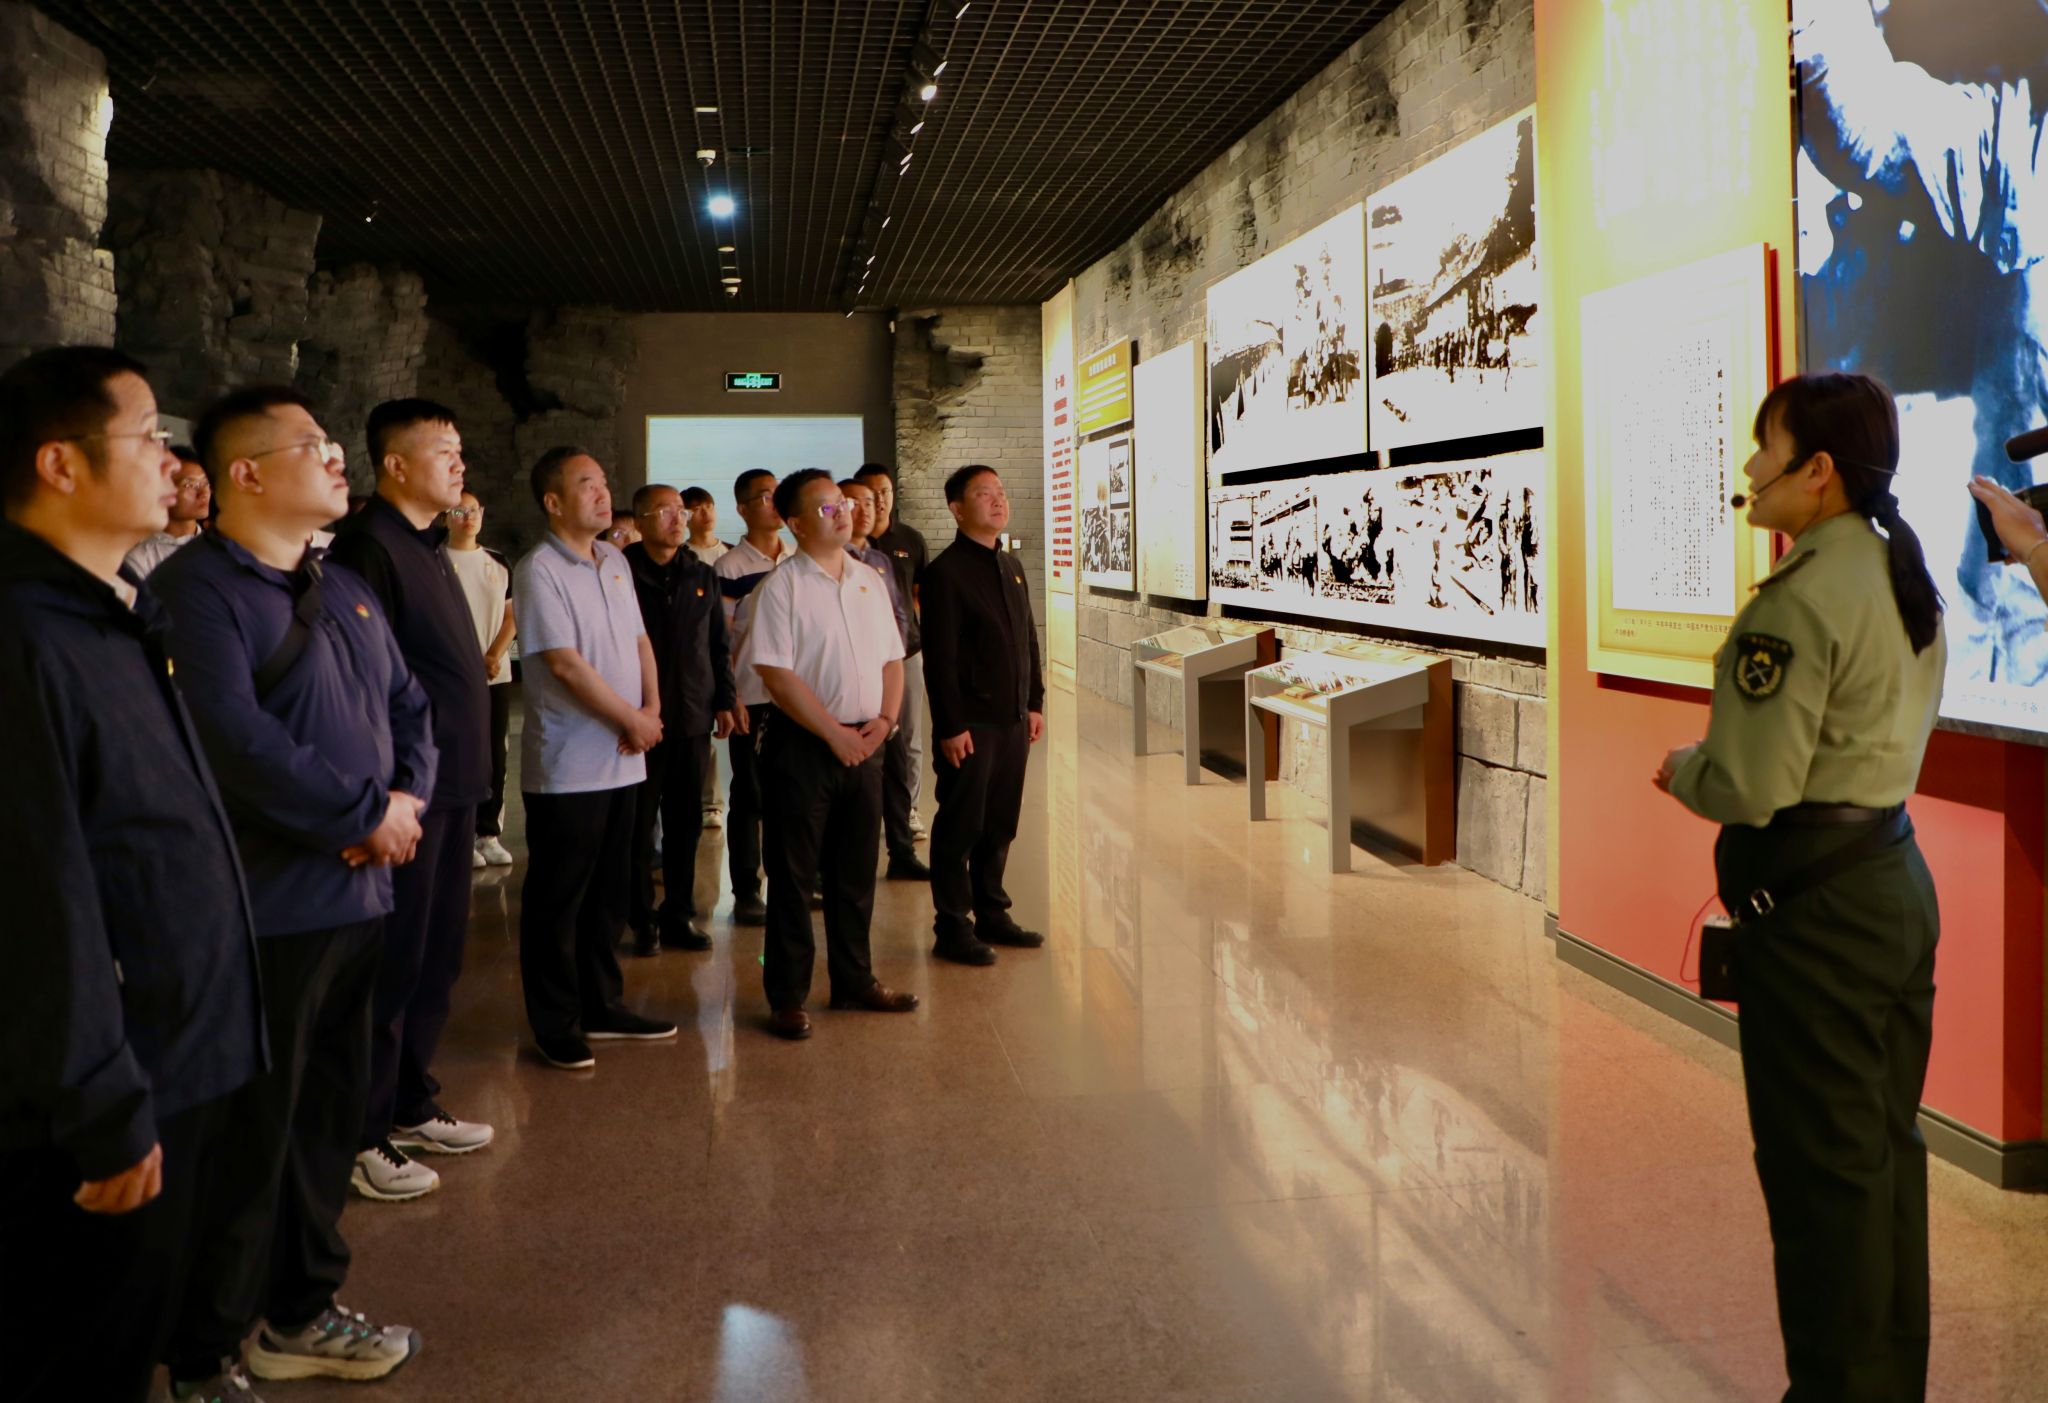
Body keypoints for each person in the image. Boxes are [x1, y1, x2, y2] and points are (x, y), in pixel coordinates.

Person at [1654, 373, 1946, 1403]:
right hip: (1891, 885)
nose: (1748, 468)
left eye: (1763, 448)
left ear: (1816, 470)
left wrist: (1686, 769)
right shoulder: (1895, 568)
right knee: (1882, 1160)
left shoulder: (1798, 599)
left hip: (1818, 923)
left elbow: (1752, 782)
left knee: (1823, 1180)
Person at [153, 384, 433, 1388]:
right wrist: (360, 815)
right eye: (312, 444)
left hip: (358, 904)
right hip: (266, 913)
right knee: (247, 1140)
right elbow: (230, 739)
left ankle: (299, 1309)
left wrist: (402, 801)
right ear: (245, 472)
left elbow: (411, 705)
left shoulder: (341, 584)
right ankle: (201, 1350)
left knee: (323, 1128)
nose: (334, 456)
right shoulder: (198, 591)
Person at [0, 347, 265, 1403]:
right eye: (150, 436)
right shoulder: (25, 636)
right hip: (103, 1092)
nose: (171, 459)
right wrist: (102, 1100)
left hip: (173, 1059)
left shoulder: (110, 613)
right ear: (60, 463)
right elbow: (38, 896)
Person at [328, 398, 497, 1201]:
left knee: (437, 954)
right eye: (443, 450)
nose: (459, 463)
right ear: (395, 463)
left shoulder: (427, 544)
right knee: (392, 963)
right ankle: (361, 1131)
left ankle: (408, 1100)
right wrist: (393, 790)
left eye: (460, 449)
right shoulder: (370, 546)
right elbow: (367, 682)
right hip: (410, 792)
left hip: (453, 781)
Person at [513, 447, 679, 1070]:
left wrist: (652, 707)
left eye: (605, 483)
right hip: (570, 764)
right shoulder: (538, 569)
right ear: (553, 501)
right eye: (588, 485)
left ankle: (602, 1004)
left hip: (625, 755)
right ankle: (556, 1023)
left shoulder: (614, 560)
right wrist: (630, 719)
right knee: (560, 900)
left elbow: (640, 640)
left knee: (611, 893)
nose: (604, 494)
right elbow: (563, 663)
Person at [740, 469, 919, 1041]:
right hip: (804, 747)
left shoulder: (869, 579)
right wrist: (833, 734)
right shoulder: (782, 587)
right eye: (825, 507)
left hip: (867, 743)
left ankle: (855, 980)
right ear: (794, 524)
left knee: (855, 872)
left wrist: (885, 722)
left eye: (841, 502)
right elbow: (775, 673)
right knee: (794, 877)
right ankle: (788, 996)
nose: (843, 511)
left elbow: (893, 658)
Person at [920, 465, 1045, 966]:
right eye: (983, 493)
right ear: (957, 509)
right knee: (960, 826)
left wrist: (1034, 702)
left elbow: (1028, 639)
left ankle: (993, 912)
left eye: (1001, 492)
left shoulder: (1011, 566)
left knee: (1000, 823)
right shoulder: (945, 574)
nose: (997, 500)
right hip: (971, 725)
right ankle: (952, 926)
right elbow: (940, 659)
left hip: (1012, 720)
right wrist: (950, 726)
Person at [624, 483, 738, 956]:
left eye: (681, 511)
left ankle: (678, 915)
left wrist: (724, 700)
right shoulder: (621, 573)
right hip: (637, 719)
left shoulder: (700, 573)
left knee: (685, 823)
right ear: (641, 520)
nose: (678, 519)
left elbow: (717, 644)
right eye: (666, 511)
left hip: (691, 715)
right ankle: (639, 918)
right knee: (637, 825)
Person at [840, 474, 928, 881]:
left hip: (890, 668)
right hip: (848, 678)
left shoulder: (880, 561)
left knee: (896, 758)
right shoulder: (825, 561)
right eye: (853, 502)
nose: (865, 509)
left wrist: (896, 654)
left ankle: (901, 850)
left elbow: (899, 615)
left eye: (869, 501)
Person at [714, 468, 787, 925]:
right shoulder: (730, 567)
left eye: (778, 494)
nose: (774, 502)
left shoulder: (798, 559)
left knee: (792, 794)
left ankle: (792, 881)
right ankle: (746, 889)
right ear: (742, 509)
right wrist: (731, 696)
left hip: (794, 699)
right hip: (752, 695)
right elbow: (720, 639)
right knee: (750, 794)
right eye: (764, 496)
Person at [445, 487, 517, 867]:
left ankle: (487, 832)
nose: (467, 517)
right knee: (459, 753)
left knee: (494, 754)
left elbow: (511, 615)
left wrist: (493, 655)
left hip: (494, 674)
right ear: (445, 516)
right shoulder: (435, 560)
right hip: (453, 674)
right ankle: (460, 832)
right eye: (459, 511)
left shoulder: (497, 561)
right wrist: (468, 660)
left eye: (473, 510)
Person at [123, 444, 210, 578]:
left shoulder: (218, 546)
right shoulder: (141, 558)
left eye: (206, 483)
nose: (203, 493)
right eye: (190, 485)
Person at [683, 484, 728, 566]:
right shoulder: (678, 555)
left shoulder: (731, 550)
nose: (706, 513)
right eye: (697, 509)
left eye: (709, 506)